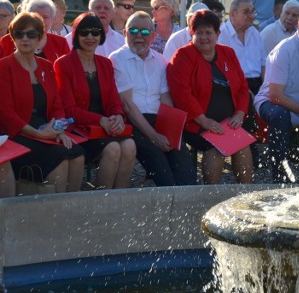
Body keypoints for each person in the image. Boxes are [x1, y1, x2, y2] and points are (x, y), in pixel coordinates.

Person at [0, 12, 84, 193]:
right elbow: (7, 114)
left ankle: (73, 211)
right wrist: (40, 135)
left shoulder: (46, 66)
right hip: (18, 133)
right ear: (12, 37)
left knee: (77, 155)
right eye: (19, 34)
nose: (25, 39)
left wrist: (58, 130)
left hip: (46, 128)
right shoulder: (4, 67)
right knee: (60, 159)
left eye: (31, 34)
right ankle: (54, 214)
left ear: (39, 38)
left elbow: (56, 106)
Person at [110, 12, 196, 187]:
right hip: (132, 123)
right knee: (164, 174)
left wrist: (170, 134)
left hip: (159, 120)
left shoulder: (161, 61)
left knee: (186, 171)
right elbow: (127, 106)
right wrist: (155, 136)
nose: (139, 36)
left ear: (154, 36)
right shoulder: (116, 59)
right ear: (125, 33)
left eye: (145, 32)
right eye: (133, 30)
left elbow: (166, 101)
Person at [167, 9, 253, 184]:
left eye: (209, 32)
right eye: (199, 33)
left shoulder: (228, 53)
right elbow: (181, 94)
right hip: (195, 123)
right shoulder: (182, 56)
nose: (204, 37)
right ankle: (211, 192)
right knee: (217, 146)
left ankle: (246, 194)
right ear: (192, 33)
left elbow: (243, 88)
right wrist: (204, 121)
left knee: (243, 146)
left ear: (218, 33)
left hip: (229, 121)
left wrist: (239, 114)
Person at [53, 13, 136, 190]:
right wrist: (100, 120)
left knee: (130, 145)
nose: (90, 37)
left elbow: (114, 99)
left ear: (101, 35)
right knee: (113, 149)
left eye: (95, 32)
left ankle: (120, 199)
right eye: (84, 32)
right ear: (76, 35)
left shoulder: (105, 64)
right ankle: (102, 201)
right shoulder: (63, 64)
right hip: (79, 128)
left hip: (105, 126)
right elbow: (69, 109)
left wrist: (119, 116)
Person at [254, 5, 299, 183]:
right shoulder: (285, 50)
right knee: (280, 115)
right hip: (273, 103)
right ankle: (280, 178)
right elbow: (275, 96)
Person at [218, 0, 266, 95]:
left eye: (253, 12)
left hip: (258, 84)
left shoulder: (255, 33)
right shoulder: (221, 34)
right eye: (246, 12)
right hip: (233, 85)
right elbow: (223, 70)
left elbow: (263, 65)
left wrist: (265, 90)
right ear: (232, 14)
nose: (251, 16)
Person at [1, 0, 70, 61]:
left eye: (45, 17)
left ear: (52, 19)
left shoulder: (60, 43)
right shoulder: (7, 41)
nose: (41, 20)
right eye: (36, 16)